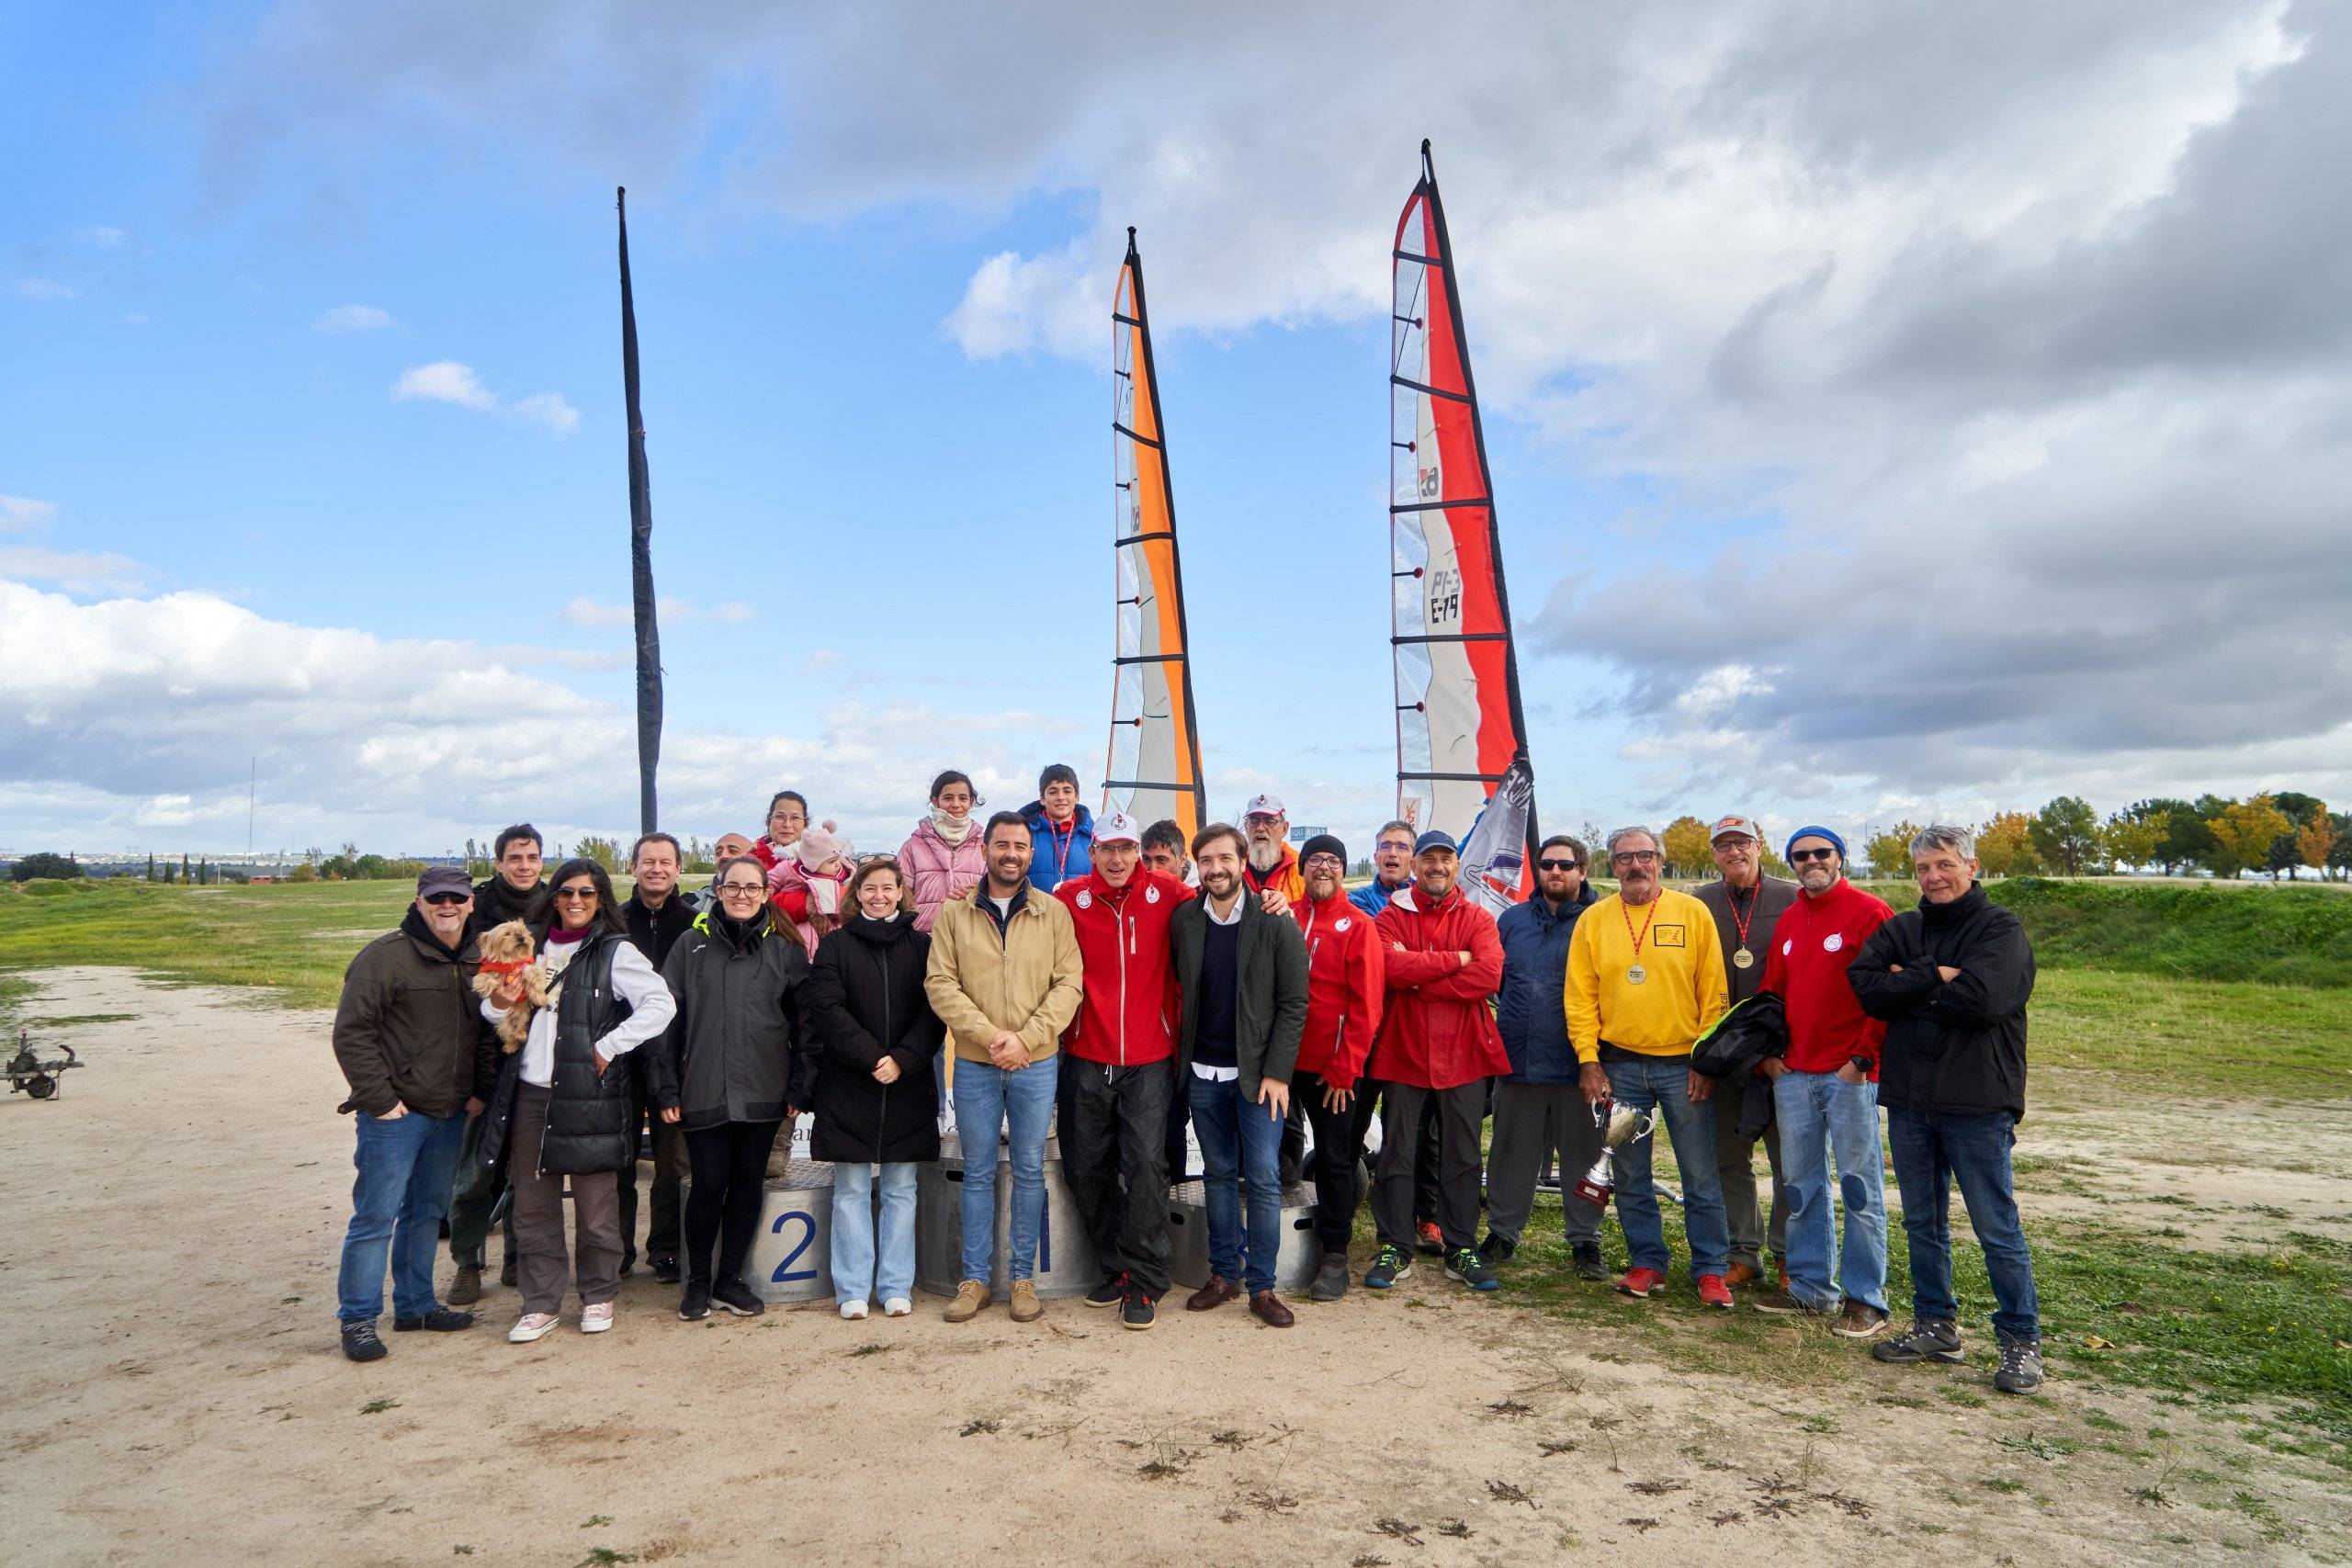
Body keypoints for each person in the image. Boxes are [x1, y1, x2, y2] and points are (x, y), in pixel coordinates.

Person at [1849, 825, 2043, 1393]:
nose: (1933, 877)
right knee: (1922, 1222)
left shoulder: (2000, 928)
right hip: (1911, 1099)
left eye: (1944, 865)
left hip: (1978, 1100)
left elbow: (1986, 1000)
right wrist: (1935, 975)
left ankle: (2020, 1341)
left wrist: (1905, 989)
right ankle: (1935, 1325)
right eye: (1923, 869)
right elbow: (1865, 987)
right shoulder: (1904, 928)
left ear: (1971, 865)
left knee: (1995, 1224)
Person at [480, 859, 675, 1342]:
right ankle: (541, 1302)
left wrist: (608, 1046)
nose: (575, 901)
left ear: (600, 898)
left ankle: (599, 1293)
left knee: (596, 1203)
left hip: (589, 1095)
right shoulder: (531, 945)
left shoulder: (615, 950)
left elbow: (661, 1003)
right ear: (554, 897)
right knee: (532, 1203)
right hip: (531, 1091)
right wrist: (499, 1002)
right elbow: (491, 1005)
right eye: (567, 892)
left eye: (587, 893)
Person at [331, 866, 500, 1361]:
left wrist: (479, 1090)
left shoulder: (479, 959)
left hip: (451, 1111)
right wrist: (380, 1100)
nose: (447, 906)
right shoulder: (384, 959)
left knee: (427, 1213)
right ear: (420, 900)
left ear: (471, 902)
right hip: (396, 1114)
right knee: (376, 1217)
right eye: (437, 898)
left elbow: (488, 1030)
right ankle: (358, 1318)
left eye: (456, 898)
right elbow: (352, 1033)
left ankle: (416, 1304)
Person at [1564, 826, 1734, 1308]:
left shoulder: (1692, 912)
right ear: (1610, 865)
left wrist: (1706, 1061)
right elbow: (1580, 997)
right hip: (1621, 1068)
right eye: (1623, 858)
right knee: (1631, 1172)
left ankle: (1711, 1270)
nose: (1634, 865)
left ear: (1660, 861)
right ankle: (1647, 1263)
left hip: (1684, 1067)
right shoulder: (1594, 920)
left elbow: (1714, 992)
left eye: (1644, 856)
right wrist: (1589, 1061)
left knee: (1699, 1173)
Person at [924, 811, 1083, 1324]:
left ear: (1030, 854)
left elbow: (1069, 986)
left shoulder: (1054, 913)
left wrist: (1027, 1039)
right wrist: (992, 1037)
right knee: (977, 1172)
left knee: (1031, 1169)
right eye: (1001, 845)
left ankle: (1021, 1278)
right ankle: (974, 1280)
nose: (1010, 853)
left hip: (1036, 1064)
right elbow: (940, 984)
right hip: (975, 1063)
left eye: (1019, 845)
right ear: (985, 850)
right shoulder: (955, 915)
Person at [643, 854, 808, 1322]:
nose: (742, 895)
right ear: (718, 890)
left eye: (751, 888)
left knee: (747, 1184)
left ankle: (730, 1279)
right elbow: (663, 1025)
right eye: (733, 887)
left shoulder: (784, 950)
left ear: (765, 894)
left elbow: (805, 1026)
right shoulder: (689, 945)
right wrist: (667, 1089)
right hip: (703, 1091)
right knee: (708, 1185)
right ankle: (697, 1282)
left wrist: (800, 1086)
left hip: (763, 1091)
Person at [1751, 827, 1894, 1335]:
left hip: (1849, 1075)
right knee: (1801, 1186)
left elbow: (1888, 994)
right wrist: (1768, 1055)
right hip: (1794, 1075)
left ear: (1839, 858)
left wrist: (1862, 1059)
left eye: (1821, 853)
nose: (1811, 861)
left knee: (1859, 1186)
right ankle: (1811, 1288)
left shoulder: (1870, 913)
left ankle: (1866, 1298)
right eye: (1800, 856)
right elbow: (1772, 994)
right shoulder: (1790, 919)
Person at [1055, 811, 1192, 1329]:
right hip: (1087, 1053)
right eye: (1107, 849)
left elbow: (1226, 905)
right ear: (1093, 852)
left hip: (1149, 1058)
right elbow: (1016, 908)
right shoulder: (1069, 898)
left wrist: (1270, 901)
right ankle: (1114, 1264)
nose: (1117, 859)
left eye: (1126, 849)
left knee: (1145, 1169)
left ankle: (1146, 1278)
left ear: (1139, 852)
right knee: (1084, 1166)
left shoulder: (1168, 893)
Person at [1170, 823, 1309, 1326]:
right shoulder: (1185, 919)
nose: (1216, 869)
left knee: (1266, 1179)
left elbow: (1295, 1004)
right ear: (1197, 867)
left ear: (1243, 860)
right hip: (1204, 1075)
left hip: (1258, 1080)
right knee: (1218, 1174)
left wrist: (1277, 1072)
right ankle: (1224, 1275)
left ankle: (1263, 1286)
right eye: (1206, 860)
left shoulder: (1274, 920)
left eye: (1224, 858)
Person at [1363, 830, 1509, 1294]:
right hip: (1404, 1052)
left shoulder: (1478, 918)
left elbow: (1486, 976)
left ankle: (1460, 1246)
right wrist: (1453, 961)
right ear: (1415, 865)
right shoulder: (1390, 916)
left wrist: (1421, 974)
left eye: (1446, 860)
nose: (1437, 867)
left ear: (1455, 865)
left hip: (1463, 1055)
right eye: (1428, 859)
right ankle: (1394, 1244)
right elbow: (1388, 969)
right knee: (1398, 1153)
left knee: (1462, 1155)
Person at [804, 856, 943, 1321]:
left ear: (902, 892)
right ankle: (852, 1289)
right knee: (851, 1191)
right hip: (851, 1083)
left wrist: (902, 1060)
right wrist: (872, 1058)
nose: (879, 896)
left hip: (908, 1081)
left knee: (902, 1189)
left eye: (888, 888)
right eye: (870, 888)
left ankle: (896, 1284)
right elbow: (827, 1008)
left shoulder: (924, 945)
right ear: (856, 894)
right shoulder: (834, 946)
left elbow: (935, 1009)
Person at [1481, 834, 1607, 1280]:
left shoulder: (1601, 919)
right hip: (1519, 1058)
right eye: (1548, 864)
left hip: (1580, 1063)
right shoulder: (1513, 920)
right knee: (1511, 1152)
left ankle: (1585, 1240)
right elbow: (1494, 978)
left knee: (1585, 1155)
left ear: (1582, 870)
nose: (1556, 872)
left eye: (1566, 865)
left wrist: (1594, 1056)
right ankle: (1502, 1232)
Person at [1690, 815, 1799, 1289]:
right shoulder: (1699, 904)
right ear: (1714, 853)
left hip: (1780, 1051)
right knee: (1729, 1158)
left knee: (1788, 1159)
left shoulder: (1791, 897)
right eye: (1724, 845)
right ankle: (1743, 1251)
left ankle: (1788, 1254)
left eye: (1742, 843)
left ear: (1760, 846)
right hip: (1725, 1052)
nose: (1734, 852)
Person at [447, 822, 544, 1302]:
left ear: (540, 862)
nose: (523, 866)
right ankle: (467, 1262)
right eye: (514, 858)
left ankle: (517, 1257)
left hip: (535, 1057)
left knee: (525, 1170)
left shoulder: (555, 907)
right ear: (499, 863)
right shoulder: (474, 911)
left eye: (531, 858)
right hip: (482, 1058)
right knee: (474, 1171)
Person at [1289, 834, 1384, 1302]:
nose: (1323, 867)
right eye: (1315, 860)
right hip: (1285, 1064)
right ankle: (1280, 1238)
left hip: (1333, 1070)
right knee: (1278, 1150)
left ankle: (1334, 1256)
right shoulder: (1286, 913)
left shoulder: (1358, 925)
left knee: (1334, 1159)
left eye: (1333, 861)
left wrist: (1346, 1069)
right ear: (1302, 868)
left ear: (1343, 871)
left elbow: (1367, 1007)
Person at [1351, 818, 1442, 1248]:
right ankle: (1343, 1213)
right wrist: (1409, 958)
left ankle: (1426, 1217)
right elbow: (1376, 962)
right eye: (1385, 844)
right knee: (1350, 1130)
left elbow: (1428, 963)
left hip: (1412, 1036)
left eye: (1402, 846)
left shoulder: (1426, 905)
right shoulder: (1356, 903)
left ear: (1414, 858)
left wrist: (1415, 960)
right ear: (1375, 855)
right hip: (1364, 1038)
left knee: (1421, 1134)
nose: (1392, 853)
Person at [619, 832, 696, 1283]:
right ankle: (617, 1249)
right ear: (634, 867)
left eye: (665, 862)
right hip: (622, 1055)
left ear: (678, 868)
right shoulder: (613, 921)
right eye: (648, 861)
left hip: (675, 1056)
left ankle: (666, 1248)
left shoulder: (694, 923)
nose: (657, 869)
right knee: (619, 1159)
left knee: (672, 1161)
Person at [900, 769, 988, 933]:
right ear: (935, 801)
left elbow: (995, 894)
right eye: (948, 798)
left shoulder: (984, 845)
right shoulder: (912, 846)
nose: (956, 804)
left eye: (963, 798)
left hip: (972, 938)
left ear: (971, 802)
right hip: (923, 940)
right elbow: (900, 896)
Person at [766, 825, 854, 956]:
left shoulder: (844, 875)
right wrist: (767, 893)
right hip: (799, 929)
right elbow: (769, 880)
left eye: (838, 859)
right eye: (831, 862)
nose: (837, 864)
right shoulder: (791, 870)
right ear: (813, 863)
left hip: (833, 930)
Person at [1020, 763, 1094, 893]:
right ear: (1042, 798)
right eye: (1053, 792)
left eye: (1067, 791)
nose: (1061, 797)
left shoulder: (1094, 837)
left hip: (1079, 913)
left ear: (1077, 797)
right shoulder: (1023, 834)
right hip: (1036, 912)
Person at [1240, 793, 1305, 911]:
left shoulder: (1302, 869)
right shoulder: (1233, 867)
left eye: (1269, 821)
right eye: (1253, 821)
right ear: (1246, 826)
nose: (1260, 828)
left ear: (1284, 829)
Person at [1349, 820, 1417, 917]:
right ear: (1376, 858)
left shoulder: (1430, 897)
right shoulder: (1358, 899)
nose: (1392, 853)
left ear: (1414, 860)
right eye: (1385, 846)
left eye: (1401, 847)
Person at [688, 833, 757, 914]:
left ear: (752, 857)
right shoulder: (690, 901)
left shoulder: (769, 901)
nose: (723, 856)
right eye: (718, 853)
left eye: (733, 851)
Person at [1140, 818, 1196, 886]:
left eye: (1161, 860)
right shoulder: (1135, 888)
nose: (1152, 869)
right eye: (1146, 859)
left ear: (1182, 860)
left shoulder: (1206, 893)